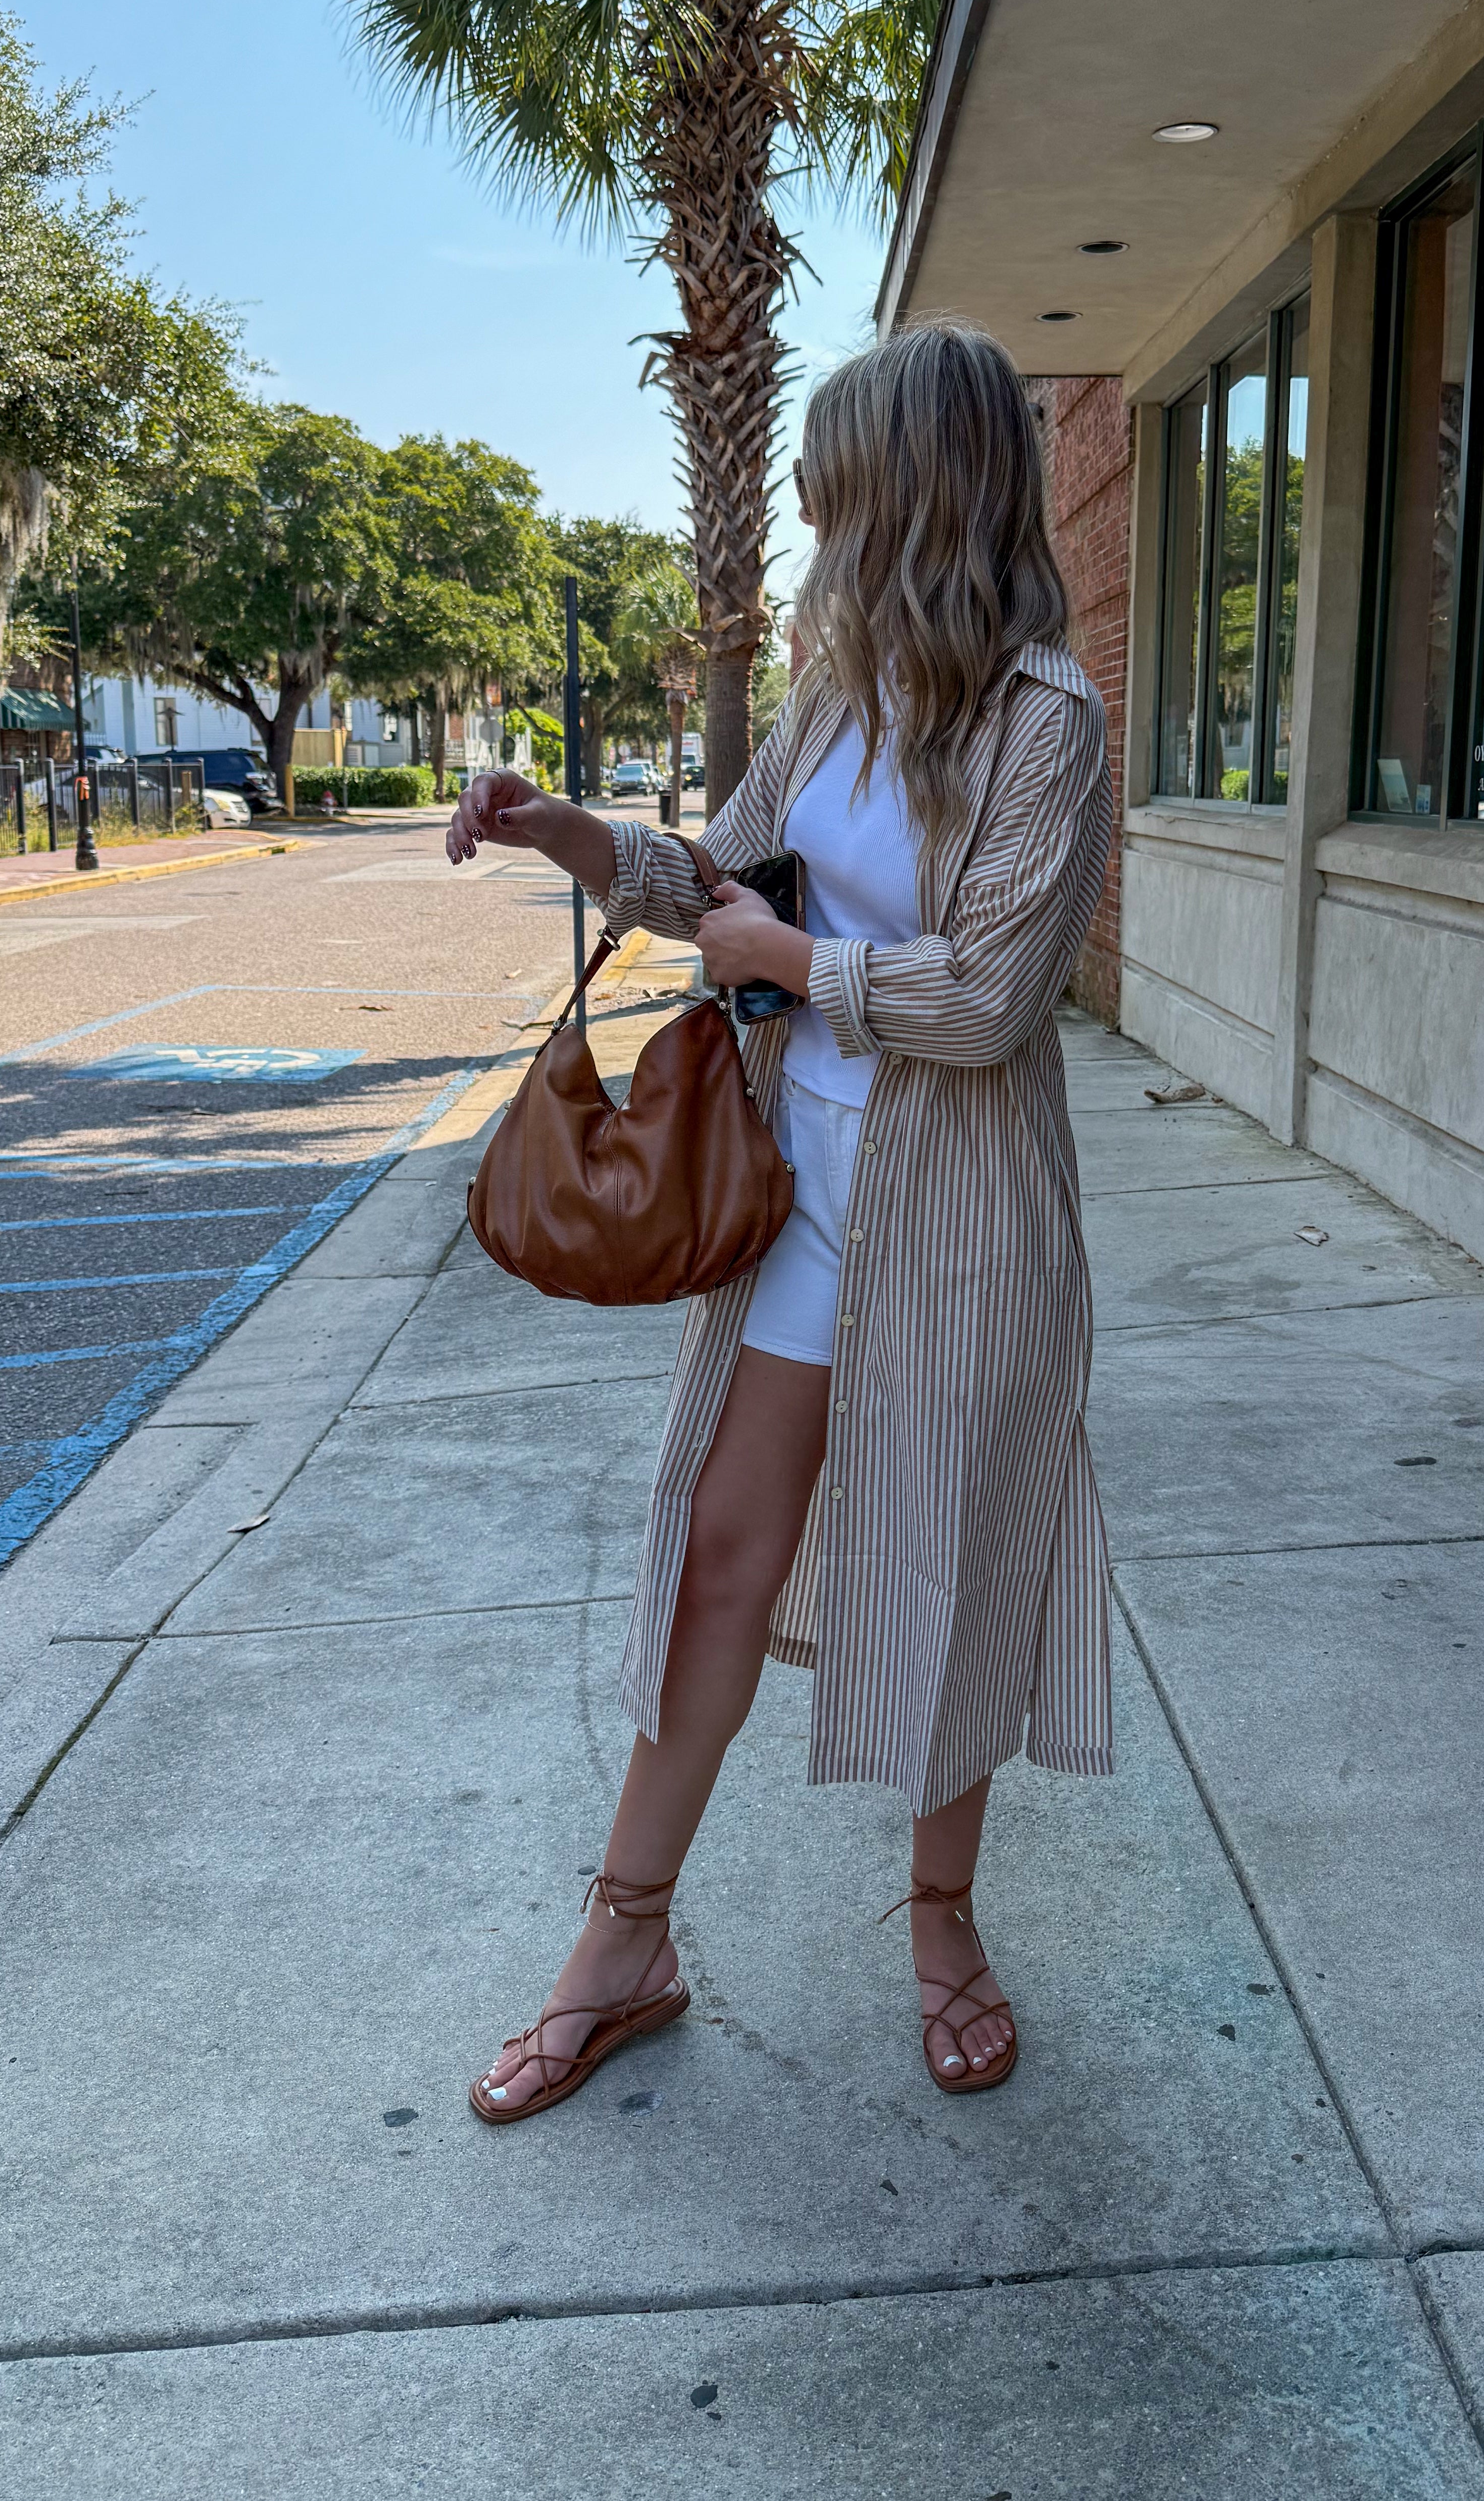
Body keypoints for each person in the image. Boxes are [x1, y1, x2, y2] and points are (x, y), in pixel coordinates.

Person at [444, 321, 1114, 2121]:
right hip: (795, 1197)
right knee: (722, 1555)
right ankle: (624, 1939)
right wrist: (577, 838)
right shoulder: (833, 697)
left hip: (963, 1214)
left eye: (836, 495)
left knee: (952, 1563)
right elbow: (713, 881)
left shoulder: (1049, 722)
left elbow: (991, 1001)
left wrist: (793, 962)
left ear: (918, 494)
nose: (815, 531)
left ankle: (945, 1926)